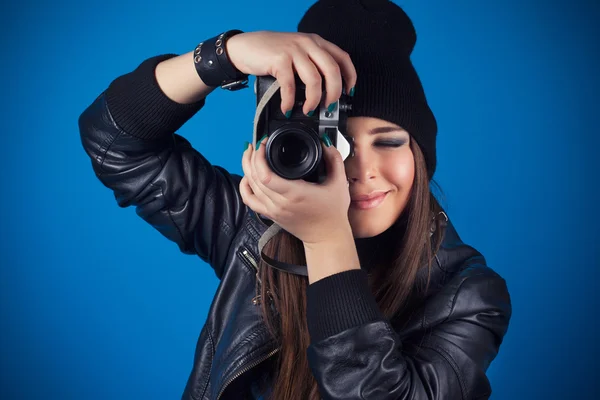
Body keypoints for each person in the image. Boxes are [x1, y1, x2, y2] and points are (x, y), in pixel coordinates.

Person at [78, 0, 512, 399]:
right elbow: (112, 143)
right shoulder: (254, 227)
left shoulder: (468, 295)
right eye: (335, 141)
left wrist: (327, 241)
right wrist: (223, 56)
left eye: (389, 142)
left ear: (421, 156)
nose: (362, 170)